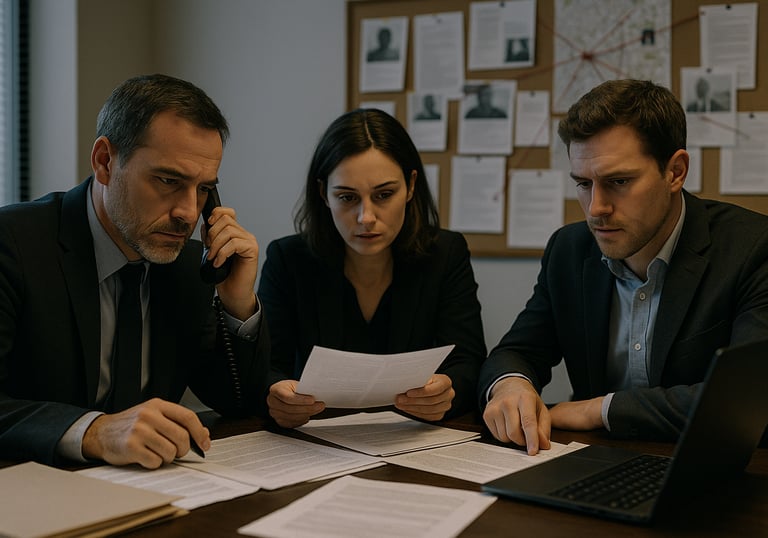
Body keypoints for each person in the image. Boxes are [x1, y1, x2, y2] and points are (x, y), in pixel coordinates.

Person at [479, 79, 768, 455]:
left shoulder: (752, 248)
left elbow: (748, 401)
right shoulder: (568, 250)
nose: (596, 207)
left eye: (618, 181)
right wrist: (510, 384)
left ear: (675, 172)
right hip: (592, 463)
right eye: (583, 183)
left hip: (712, 471)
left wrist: (601, 410)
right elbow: (517, 351)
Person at [0, 74, 269, 469]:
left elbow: (238, 402)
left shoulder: (187, 265)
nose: (188, 213)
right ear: (105, 162)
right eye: (168, 180)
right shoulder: (14, 244)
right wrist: (95, 431)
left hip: (152, 490)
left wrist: (237, 303)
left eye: (202, 189)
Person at [258, 108, 486, 429]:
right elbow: (268, 368)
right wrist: (275, 394)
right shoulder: (287, 259)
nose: (366, 217)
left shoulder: (445, 253)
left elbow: (468, 360)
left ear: (410, 186)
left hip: (411, 439)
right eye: (347, 197)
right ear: (323, 193)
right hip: (313, 444)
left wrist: (447, 391)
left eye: (383, 194)